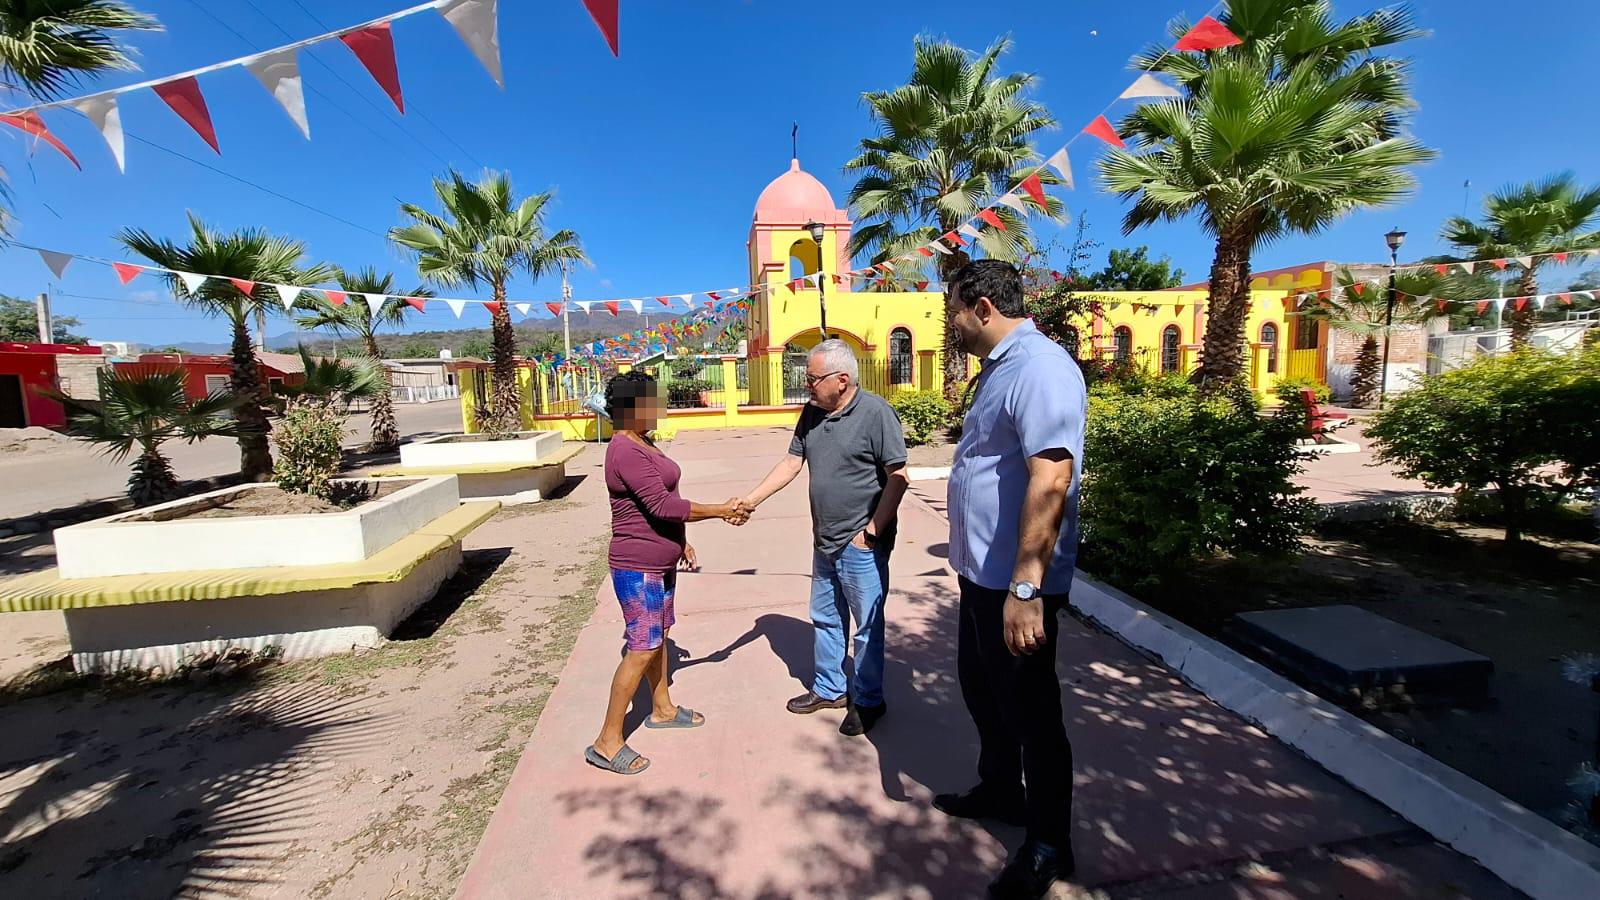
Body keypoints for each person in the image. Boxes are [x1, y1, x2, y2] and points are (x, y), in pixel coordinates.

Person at [932, 260, 1086, 898]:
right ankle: (1000, 788)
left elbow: (1051, 478)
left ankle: (1050, 843)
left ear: (983, 307)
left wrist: (1027, 588)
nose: (952, 325)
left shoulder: (1041, 368)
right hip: (980, 577)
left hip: (1015, 586)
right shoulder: (999, 371)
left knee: (1032, 712)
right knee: (982, 688)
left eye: (954, 312)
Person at [740, 339, 909, 736]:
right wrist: (750, 501)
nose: (807, 385)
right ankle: (830, 689)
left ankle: (869, 701)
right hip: (825, 541)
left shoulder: (876, 414)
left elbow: (898, 478)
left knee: (867, 626)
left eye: (813, 379)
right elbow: (791, 462)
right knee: (826, 618)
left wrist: (871, 532)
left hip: (860, 545)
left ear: (842, 380)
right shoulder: (812, 413)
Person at [586, 370, 748, 776]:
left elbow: (665, 501)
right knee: (641, 646)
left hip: (661, 561)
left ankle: (661, 709)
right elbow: (661, 506)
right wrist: (721, 510)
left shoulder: (645, 442)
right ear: (630, 409)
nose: (658, 409)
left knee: (661, 638)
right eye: (651, 403)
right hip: (636, 565)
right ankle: (607, 741)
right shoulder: (624, 449)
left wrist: (682, 541)